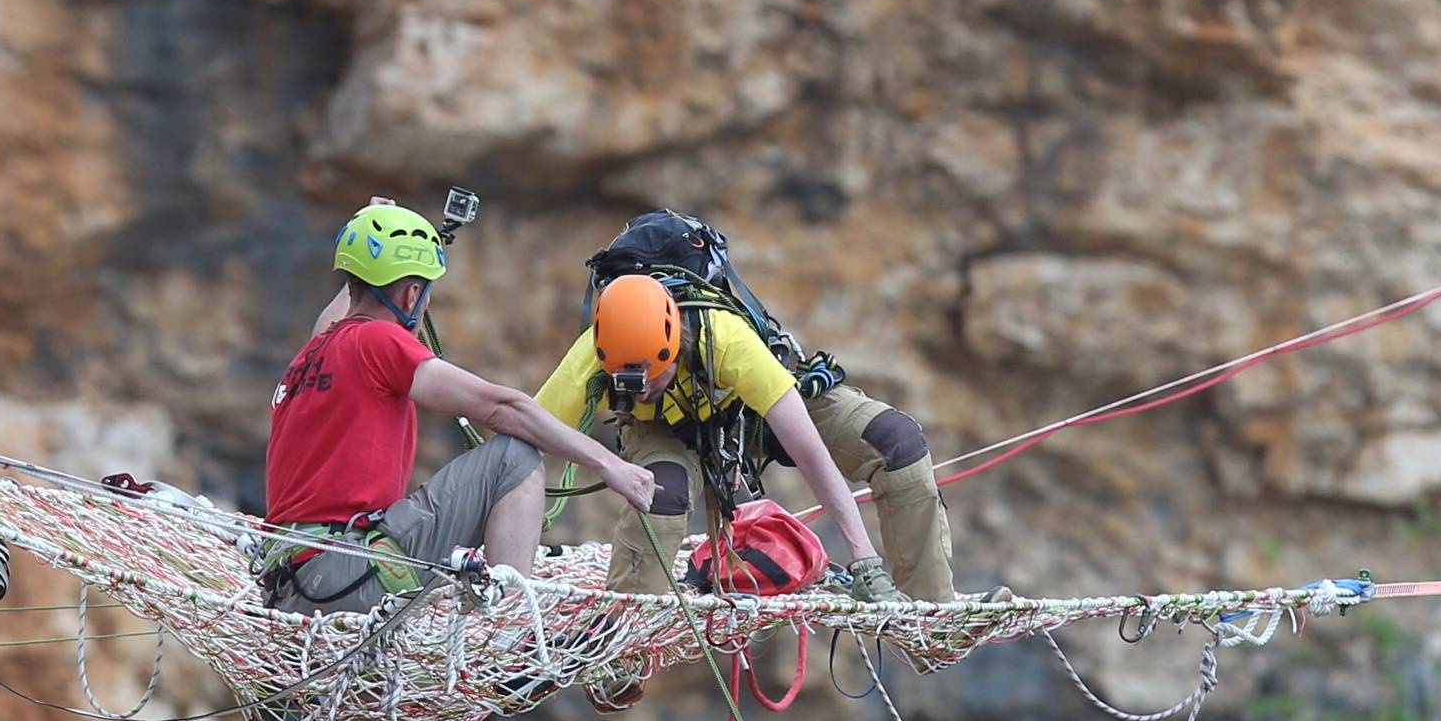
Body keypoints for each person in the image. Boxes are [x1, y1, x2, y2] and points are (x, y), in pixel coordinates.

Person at [536, 212, 958, 648]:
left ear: (674, 347)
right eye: (628, 384)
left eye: (652, 379)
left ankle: (931, 624)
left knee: (897, 442)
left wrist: (864, 559)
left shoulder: (725, 339)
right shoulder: (592, 354)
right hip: (662, 435)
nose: (641, 392)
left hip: (747, 417)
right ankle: (621, 650)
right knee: (662, 491)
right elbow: (527, 432)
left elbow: (810, 450)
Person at [263, 200, 655, 614]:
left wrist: (369, 238)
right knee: (513, 456)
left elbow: (338, 313)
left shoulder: (310, 357)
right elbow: (501, 408)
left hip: (294, 587)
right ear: (413, 293)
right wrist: (609, 463)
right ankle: (508, 633)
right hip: (351, 577)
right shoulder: (378, 340)